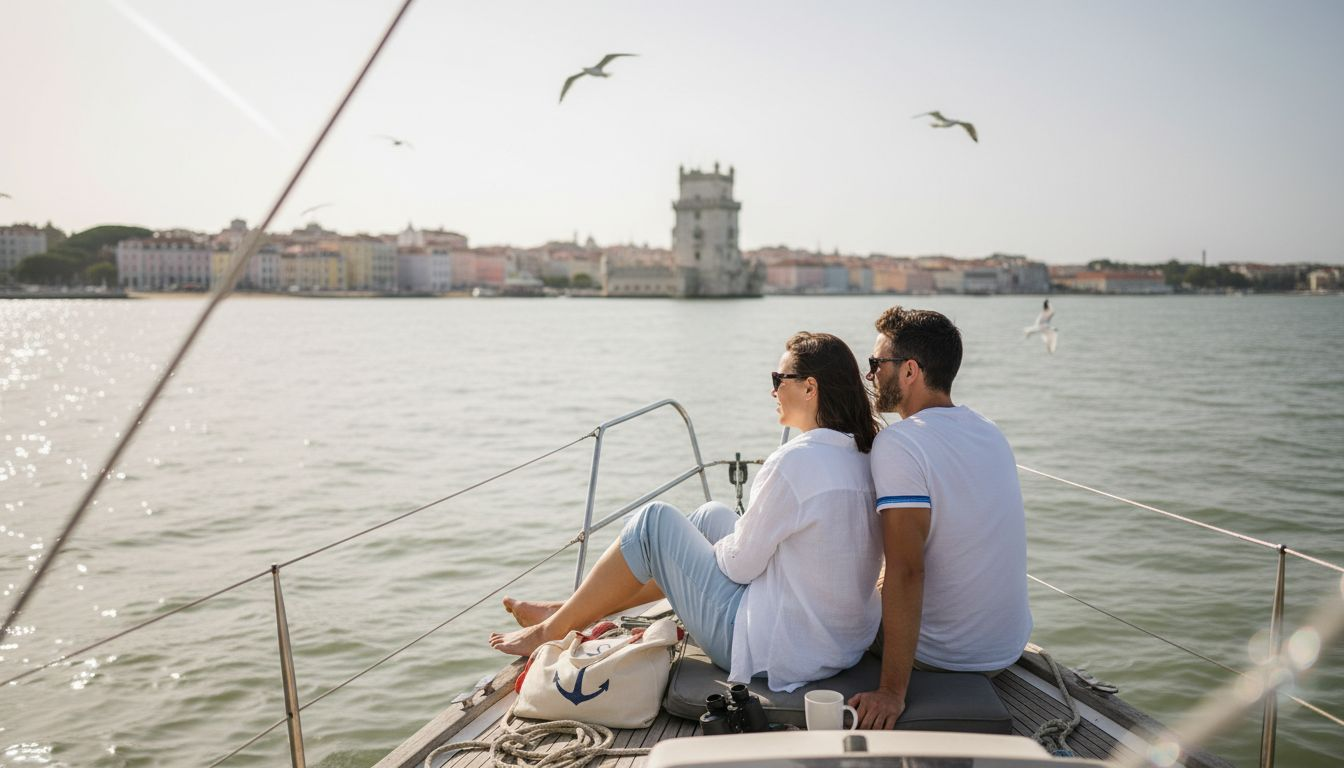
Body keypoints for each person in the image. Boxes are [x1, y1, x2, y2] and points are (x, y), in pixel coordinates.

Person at [491, 332, 883, 693]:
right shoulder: (864, 453)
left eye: (778, 379)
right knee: (710, 515)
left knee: (652, 523)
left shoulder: (794, 462)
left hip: (775, 651)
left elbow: (740, 567)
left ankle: (551, 630)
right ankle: (572, 610)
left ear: (810, 387)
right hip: (838, 643)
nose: (772, 389)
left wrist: (720, 548)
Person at [850, 306, 1033, 728]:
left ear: (909, 370)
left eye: (877, 363)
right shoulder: (989, 432)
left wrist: (891, 692)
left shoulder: (900, 443)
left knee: (828, 597)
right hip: (1005, 649)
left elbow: (907, 571)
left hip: (944, 657)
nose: (871, 375)